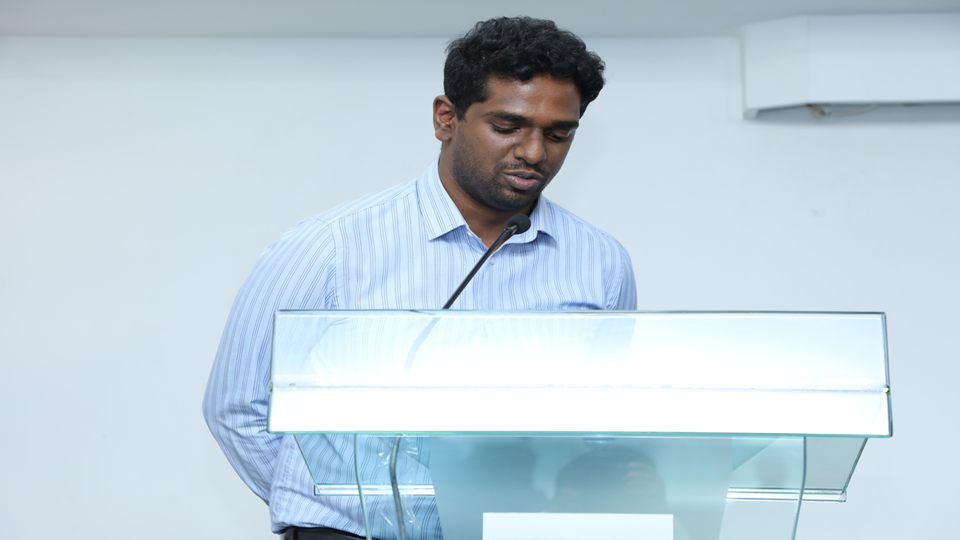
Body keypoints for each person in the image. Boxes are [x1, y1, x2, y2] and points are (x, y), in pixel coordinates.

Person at [203, 16, 637, 540]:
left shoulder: (601, 263)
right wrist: (332, 510)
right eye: (507, 127)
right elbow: (238, 408)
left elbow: (601, 421)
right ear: (446, 118)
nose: (533, 152)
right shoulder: (330, 245)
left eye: (558, 133)